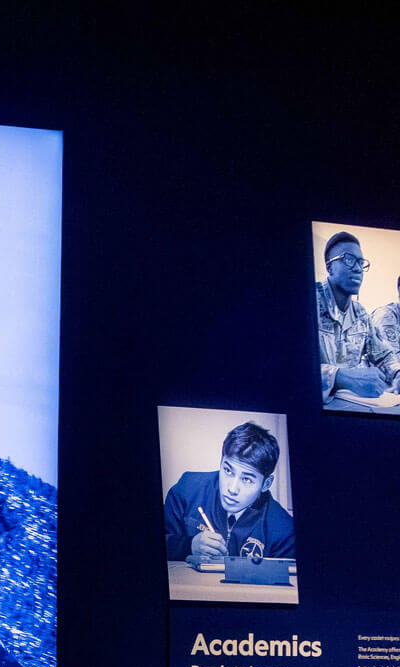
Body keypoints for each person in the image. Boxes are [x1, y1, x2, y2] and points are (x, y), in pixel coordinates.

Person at [162, 422, 295, 562]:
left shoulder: (284, 531)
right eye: (228, 471)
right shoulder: (187, 489)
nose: (232, 489)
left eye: (247, 479)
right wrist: (188, 545)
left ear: (266, 484)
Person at [315, 231, 400, 401]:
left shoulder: (360, 314)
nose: (357, 268)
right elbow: (290, 366)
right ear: (329, 267)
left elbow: (383, 355)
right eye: (348, 259)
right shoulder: (307, 302)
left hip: (348, 405)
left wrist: (397, 373)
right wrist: (340, 377)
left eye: (361, 262)